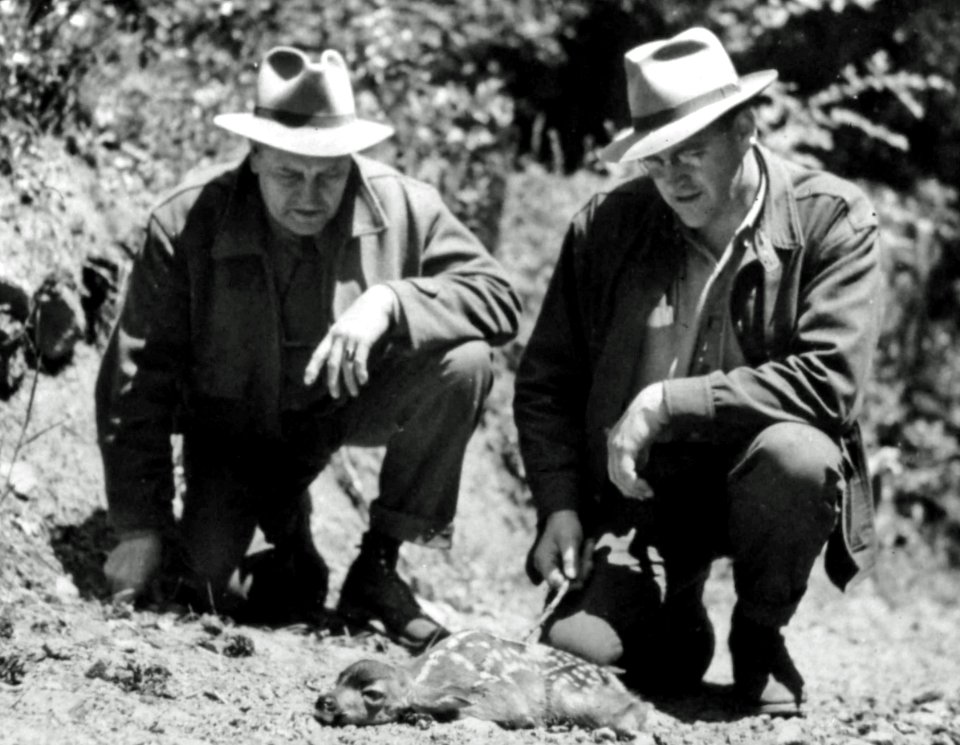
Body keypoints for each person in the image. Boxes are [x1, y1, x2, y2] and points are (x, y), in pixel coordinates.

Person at [96, 46, 520, 648]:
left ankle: (377, 567)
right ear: (256, 155)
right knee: (213, 591)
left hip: (344, 406)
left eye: (331, 175)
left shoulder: (403, 204)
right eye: (290, 174)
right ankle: (287, 533)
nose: (311, 196)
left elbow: (500, 298)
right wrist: (139, 526)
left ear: (353, 158)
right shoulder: (188, 220)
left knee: (465, 365)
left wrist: (392, 302)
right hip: (232, 431)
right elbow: (138, 376)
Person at [514, 27, 882, 715]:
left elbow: (830, 382)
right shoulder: (609, 226)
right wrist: (558, 503)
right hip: (645, 493)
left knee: (799, 457)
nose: (673, 178)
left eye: (692, 153)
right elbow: (547, 380)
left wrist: (669, 399)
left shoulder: (831, 219)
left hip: (765, 475)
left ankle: (759, 633)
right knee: (578, 651)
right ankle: (675, 618)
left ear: (745, 128)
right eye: (655, 160)